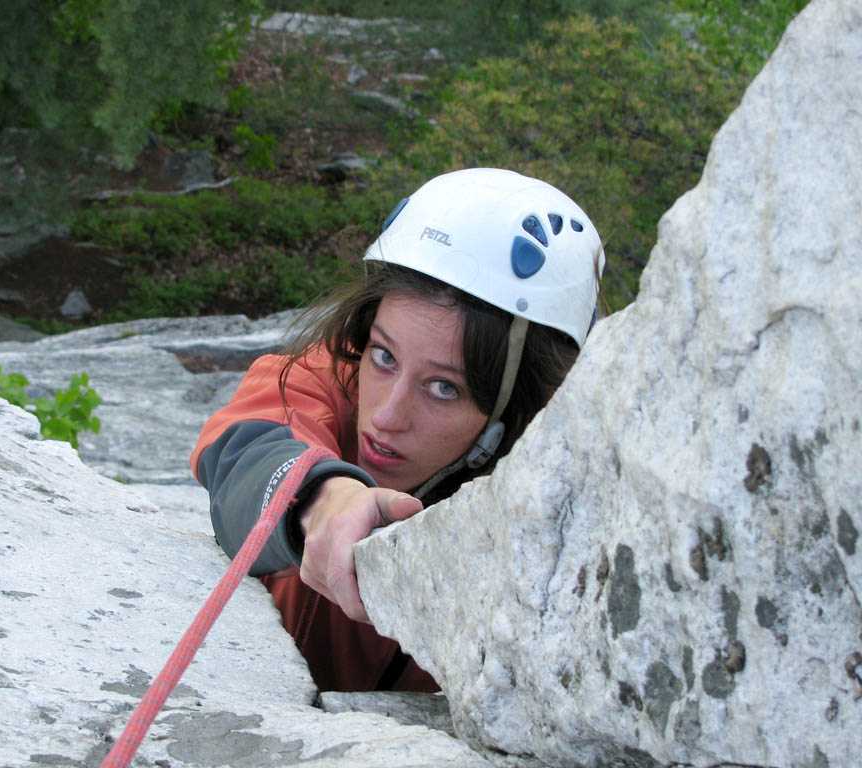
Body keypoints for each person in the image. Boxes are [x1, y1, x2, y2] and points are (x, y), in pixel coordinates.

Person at [190, 168, 604, 692]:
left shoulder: (556, 515)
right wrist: (320, 497)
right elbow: (246, 446)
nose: (385, 415)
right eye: (385, 355)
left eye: (443, 388)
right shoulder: (331, 377)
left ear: (517, 410)